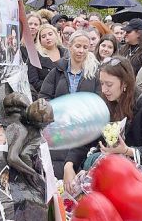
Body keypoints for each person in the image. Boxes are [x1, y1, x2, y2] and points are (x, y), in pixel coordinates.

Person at [66, 57, 142, 221]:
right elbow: (87, 136)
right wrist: (69, 165)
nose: (104, 89)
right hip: (118, 175)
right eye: (101, 83)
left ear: (124, 83)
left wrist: (126, 151)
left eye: (109, 84)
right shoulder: (103, 102)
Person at [40, 33, 100, 176]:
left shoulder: (94, 73)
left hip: (83, 130)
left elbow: (98, 101)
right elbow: (44, 97)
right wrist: (57, 113)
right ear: (70, 46)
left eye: (85, 47)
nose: (81, 51)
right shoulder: (57, 71)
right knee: (57, 173)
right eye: (78, 46)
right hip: (59, 129)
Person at [29, 24, 65, 96]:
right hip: (45, 96)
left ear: (56, 35)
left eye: (50, 34)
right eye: (43, 36)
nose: (47, 38)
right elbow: (33, 81)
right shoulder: (34, 56)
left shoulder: (66, 53)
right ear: (40, 41)